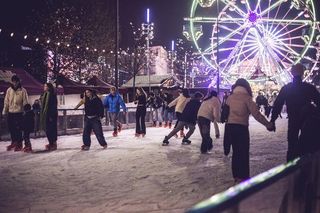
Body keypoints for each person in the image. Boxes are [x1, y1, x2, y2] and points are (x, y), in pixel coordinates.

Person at [223, 78, 274, 184]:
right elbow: (256, 114)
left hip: (230, 127)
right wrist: (268, 124)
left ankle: (236, 175)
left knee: (236, 152)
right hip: (241, 128)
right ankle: (244, 176)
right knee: (243, 152)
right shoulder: (247, 98)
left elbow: (224, 113)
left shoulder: (230, 98)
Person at [270, 63, 320, 162]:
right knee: (307, 143)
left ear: (292, 73)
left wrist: (273, 120)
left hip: (293, 117)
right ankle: (305, 165)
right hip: (307, 119)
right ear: (302, 73)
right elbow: (318, 101)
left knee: (292, 144)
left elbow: (278, 104)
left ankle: (291, 168)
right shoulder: (308, 87)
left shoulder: (287, 88)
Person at [2, 75, 29, 151]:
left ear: (18, 81)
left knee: (18, 128)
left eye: (16, 81)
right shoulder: (9, 90)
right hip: (11, 112)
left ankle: (19, 144)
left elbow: (25, 101)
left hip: (19, 112)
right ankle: (14, 142)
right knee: (11, 128)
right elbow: (6, 102)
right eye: (13, 81)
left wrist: (25, 110)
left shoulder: (23, 90)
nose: (14, 83)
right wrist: (5, 111)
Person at [197, 90, 221, 154]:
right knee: (205, 134)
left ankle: (205, 148)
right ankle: (206, 147)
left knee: (204, 134)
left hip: (199, 117)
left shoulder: (206, 99)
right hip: (205, 118)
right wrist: (218, 119)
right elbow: (216, 112)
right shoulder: (216, 100)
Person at [40, 83, 58, 151]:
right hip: (46, 115)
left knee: (52, 129)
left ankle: (53, 143)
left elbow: (53, 106)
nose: (44, 87)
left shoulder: (52, 95)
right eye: (44, 86)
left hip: (51, 115)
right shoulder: (44, 94)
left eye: (45, 86)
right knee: (47, 129)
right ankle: (50, 142)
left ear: (49, 87)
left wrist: (51, 116)